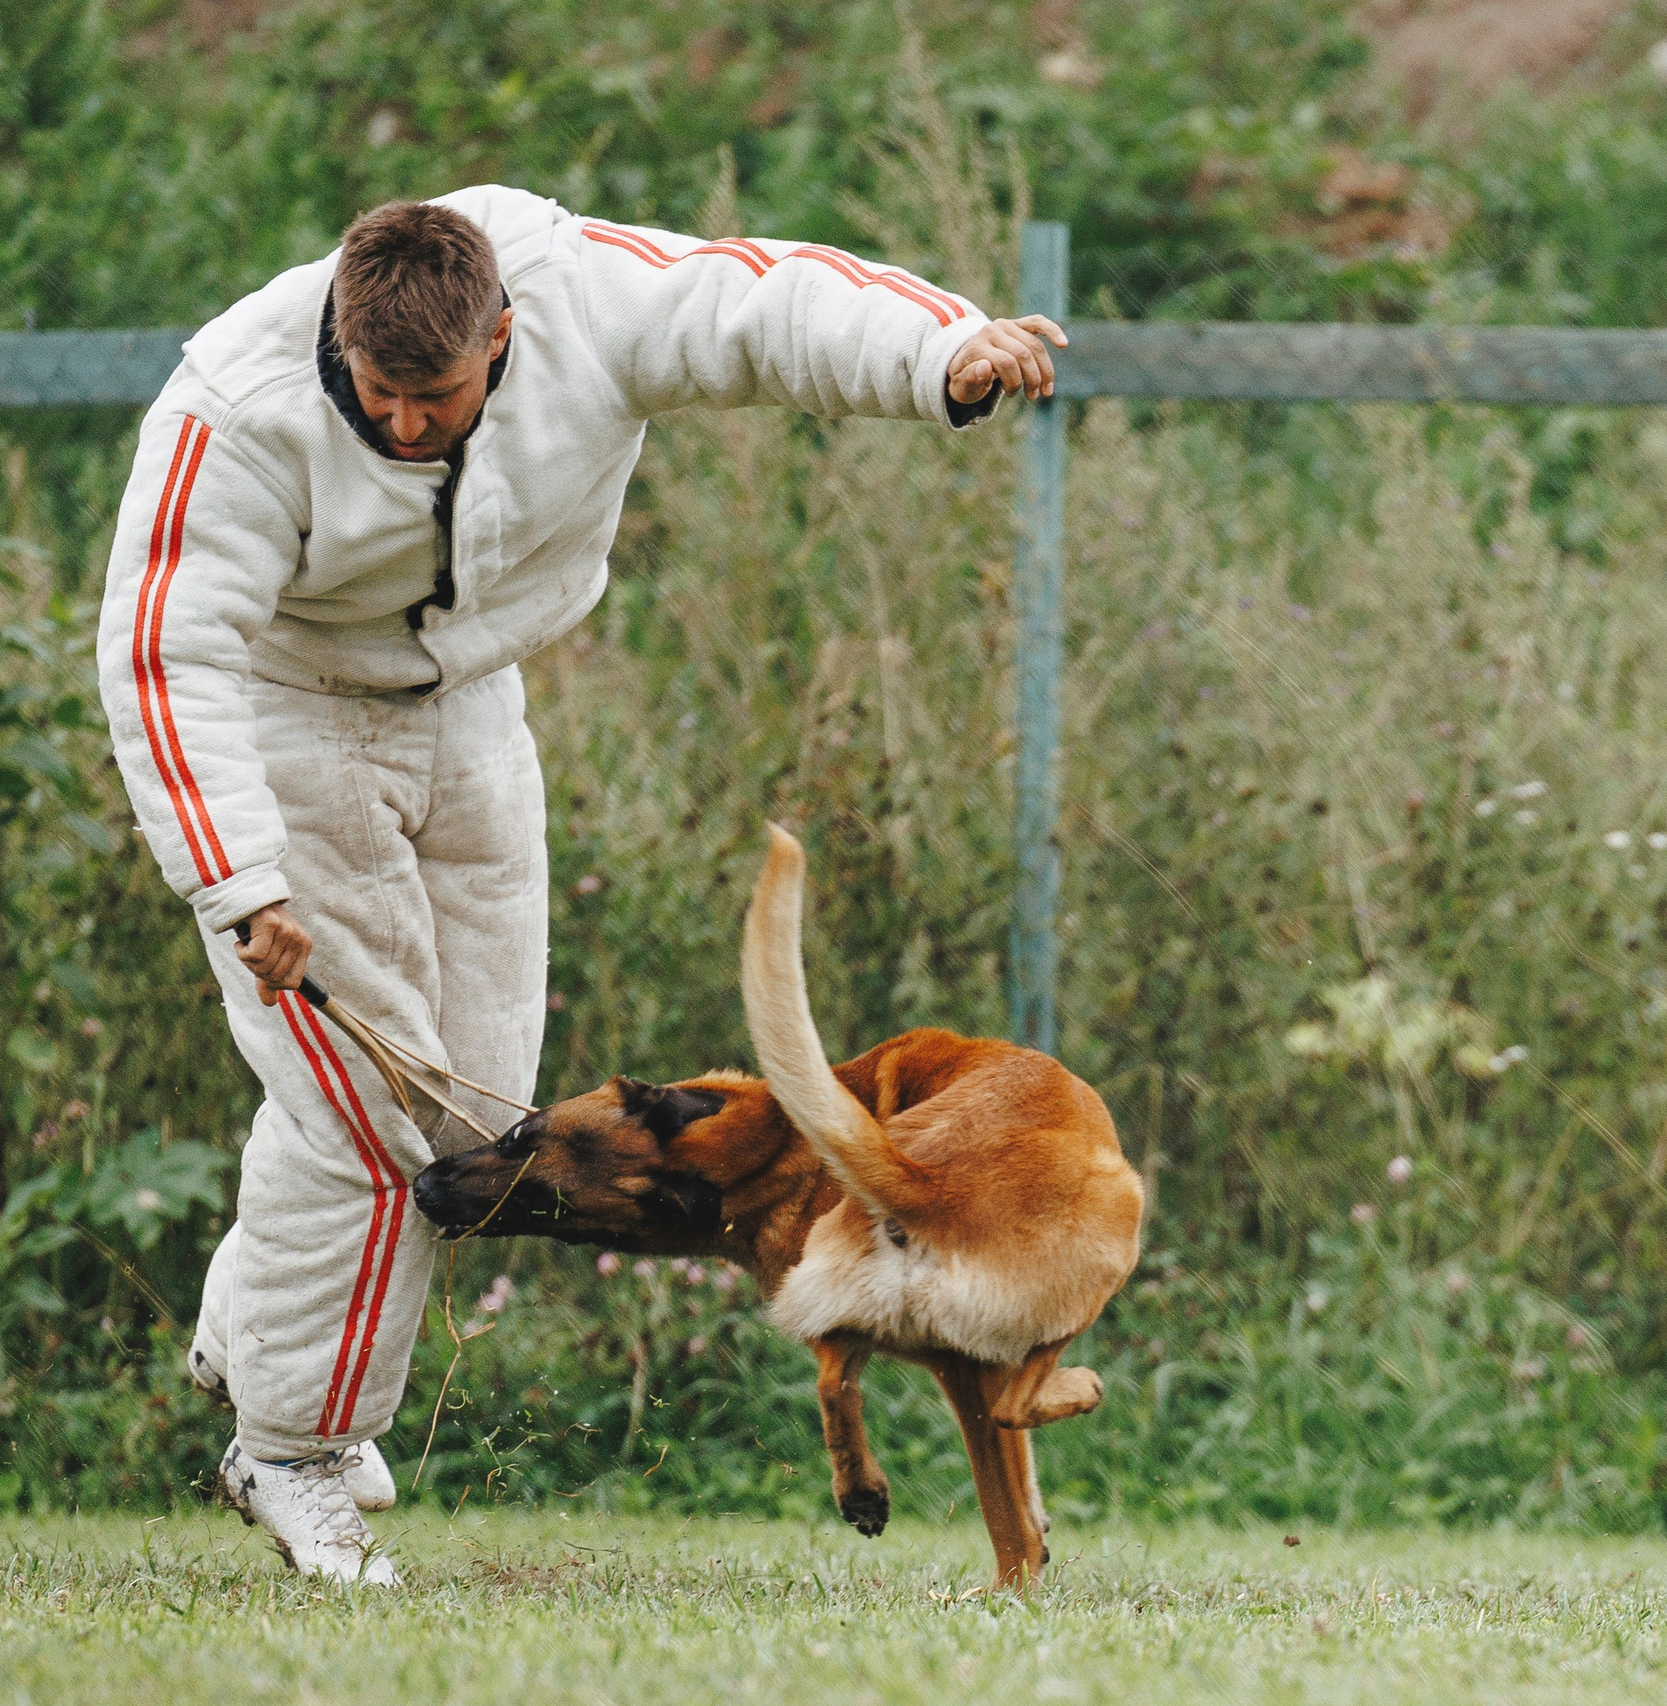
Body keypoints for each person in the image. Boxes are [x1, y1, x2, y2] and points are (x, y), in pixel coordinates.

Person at [95, 185, 1062, 1583]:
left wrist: (941, 352)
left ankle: (252, 1342)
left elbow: (763, 302)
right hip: (285, 715)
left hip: (476, 705)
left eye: (437, 395)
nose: (409, 426)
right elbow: (158, 653)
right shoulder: (231, 411)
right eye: (379, 394)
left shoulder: (584, 291)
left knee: (480, 1114)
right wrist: (234, 878)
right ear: (336, 341)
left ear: (505, 331)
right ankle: (292, 1450)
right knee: (369, 1104)